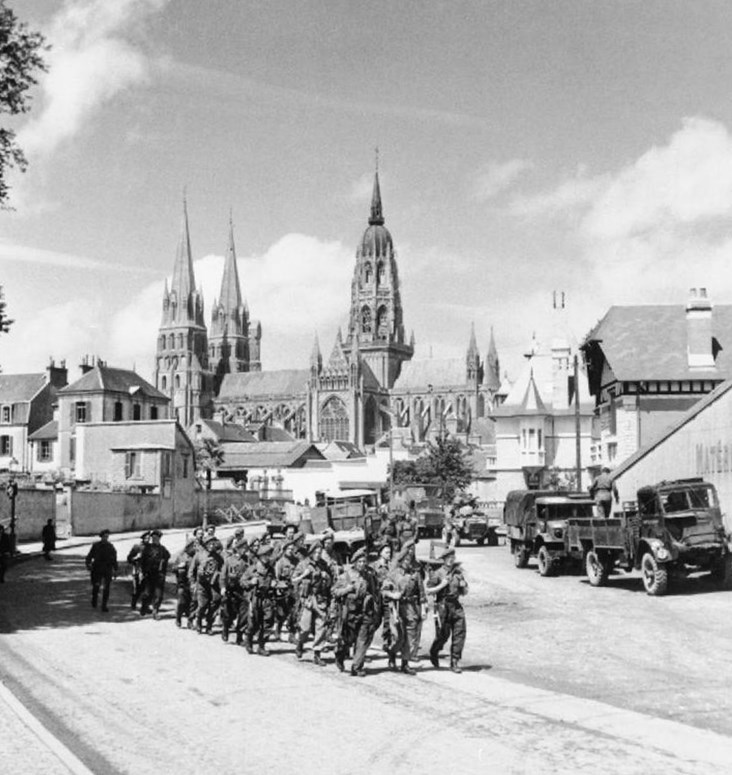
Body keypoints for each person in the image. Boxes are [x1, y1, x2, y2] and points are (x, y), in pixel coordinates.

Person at [333, 547, 380, 677]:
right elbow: (335, 592)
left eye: (364, 561)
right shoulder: (345, 576)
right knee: (348, 640)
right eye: (359, 562)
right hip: (350, 613)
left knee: (362, 640)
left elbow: (374, 592)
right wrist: (347, 589)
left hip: (365, 611)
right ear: (354, 562)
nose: (362, 564)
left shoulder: (369, 576)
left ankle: (357, 667)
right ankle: (340, 654)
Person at [382, 540, 425, 674]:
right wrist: (393, 595)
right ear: (401, 559)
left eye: (410, 559)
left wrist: (423, 609)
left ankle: (405, 663)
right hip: (397, 608)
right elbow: (384, 590)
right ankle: (392, 653)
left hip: (411, 607)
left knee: (410, 637)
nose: (408, 561)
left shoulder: (415, 573)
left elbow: (421, 593)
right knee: (398, 637)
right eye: (405, 558)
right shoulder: (394, 573)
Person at [426, 546, 468, 674]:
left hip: (456, 605)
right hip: (442, 605)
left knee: (460, 633)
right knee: (443, 635)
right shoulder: (437, 573)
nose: (450, 560)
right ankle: (434, 651)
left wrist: (464, 586)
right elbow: (428, 590)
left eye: (452, 558)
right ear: (443, 560)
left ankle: (454, 661)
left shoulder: (458, 573)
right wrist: (441, 585)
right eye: (448, 558)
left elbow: (465, 592)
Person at [293, 542, 333, 665]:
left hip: (320, 598)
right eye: (315, 552)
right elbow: (293, 580)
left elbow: (331, 583)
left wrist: (327, 577)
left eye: (319, 553)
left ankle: (317, 653)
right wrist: (304, 575)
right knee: (305, 627)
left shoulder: (323, 565)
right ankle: (300, 643)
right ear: (311, 553)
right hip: (308, 599)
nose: (317, 555)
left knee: (321, 626)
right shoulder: (303, 564)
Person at [242, 543, 276, 655]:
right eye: (266, 555)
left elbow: (274, 580)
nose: (268, 557)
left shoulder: (271, 569)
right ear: (261, 556)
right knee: (253, 623)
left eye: (269, 555)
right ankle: (249, 641)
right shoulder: (252, 569)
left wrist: (274, 583)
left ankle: (261, 646)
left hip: (267, 599)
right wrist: (251, 582)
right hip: (255, 598)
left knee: (268, 622)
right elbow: (242, 582)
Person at [190, 535, 224, 634]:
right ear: (206, 544)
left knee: (215, 603)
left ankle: (209, 625)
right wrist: (192, 583)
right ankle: (199, 622)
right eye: (209, 543)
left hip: (213, 584)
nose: (211, 545)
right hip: (202, 584)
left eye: (213, 543)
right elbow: (191, 570)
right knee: (202, 605)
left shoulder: (218, 557)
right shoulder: (199, 555)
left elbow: (222, 570)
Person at [220, 538, 249, 644]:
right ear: (237, 549)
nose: (244, 550)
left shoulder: (247, 560)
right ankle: (225, 629)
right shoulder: (229, 560)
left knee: (243, 613)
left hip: (242, 591)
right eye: (242, 548)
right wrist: (223, 587)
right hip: (230, 590)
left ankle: (239, 636)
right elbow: (223, 575)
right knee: (229, 614)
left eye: (245, 548)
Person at [138, 529, 171, 619]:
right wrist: (142, 572)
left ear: (159, 539)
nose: (154, 539)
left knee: (159, 595)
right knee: (147, 593)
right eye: (153, 538)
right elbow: (142, 561)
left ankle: (155, 611)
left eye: (156, 538)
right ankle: (144, 607)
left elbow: (168, 557)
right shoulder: (147, 548)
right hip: (149, 575)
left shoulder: (163, 549)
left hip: (159, 575)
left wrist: (163, 564)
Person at [86, 529, 118, 612]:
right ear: (101, 537)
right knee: (96, 586)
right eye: (104, 536)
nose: (105, 538)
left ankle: (104, 605)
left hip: (107, 569)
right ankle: (94, 598)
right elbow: (89, 556)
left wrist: (115, 569)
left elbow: (114, 559)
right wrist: (88, 564)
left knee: (106, 588)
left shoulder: (110, 547)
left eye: (107, 537)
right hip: (97, 569)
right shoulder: (96, 546)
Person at [371, 543, 394, 655]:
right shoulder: (374, 566)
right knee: (375, 621)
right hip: (378, 598)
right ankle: (365, 639)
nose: (389, 554)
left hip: (389, 598)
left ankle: (386, 643)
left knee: (388, 621)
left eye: (390, 552)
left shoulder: (392, 566)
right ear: (380, 553)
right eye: (386, 552)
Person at [173, 539, 197, 628]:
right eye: (193, 546)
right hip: (182, 583)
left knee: (193, 603)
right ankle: (178, 618)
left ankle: (190, 621)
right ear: (188, 547)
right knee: (181, 603)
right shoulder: (181, 556)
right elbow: (173, 568)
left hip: (192, 583)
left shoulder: (196, 556)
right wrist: (179, 566)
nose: (194, 548)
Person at [126, 531, 150, 610]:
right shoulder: (137, 547)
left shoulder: (151, 547)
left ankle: (145, 606)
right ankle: (134, 603)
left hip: (147, 572)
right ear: (143, 539)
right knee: (137, 590)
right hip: (137, 571)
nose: (148, 539)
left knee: (147, 590)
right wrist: (135, 558)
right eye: (146, 538)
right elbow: (129, 558)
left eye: (149, 538)